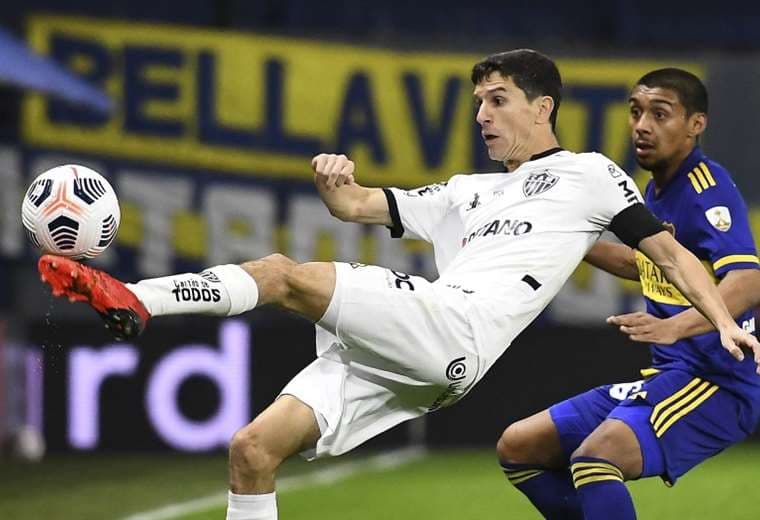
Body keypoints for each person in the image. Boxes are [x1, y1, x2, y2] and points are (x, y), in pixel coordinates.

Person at [38, 53, 759, 520]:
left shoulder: (591, 176)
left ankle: (136, 297)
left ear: (542, 109)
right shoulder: (463, 192)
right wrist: (337, 184)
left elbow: (668, 253)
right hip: (412, 356)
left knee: (285, 275)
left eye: (498, 99)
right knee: (251, 451)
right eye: (477, 102)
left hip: (453, 332)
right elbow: (358, 207)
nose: (482, 114)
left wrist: (720, 322)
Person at [497, 68, 760, 520]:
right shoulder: (655, 191)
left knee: (597, 456)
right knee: (519, 446)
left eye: (660, 114)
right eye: (636, 112)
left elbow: (749, 281)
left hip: (720, 382)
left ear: (696, 125)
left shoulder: (704, 189)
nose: (642, 125)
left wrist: (674, 326)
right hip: (672, 376)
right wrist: (560, 234)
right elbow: (641, 263)